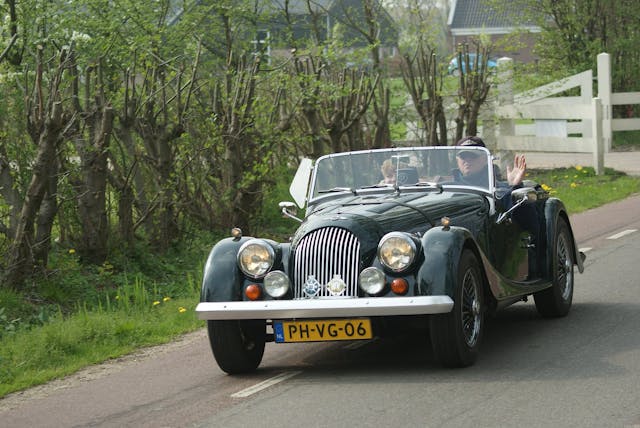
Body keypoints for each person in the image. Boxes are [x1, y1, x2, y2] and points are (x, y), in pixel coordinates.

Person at [454, 136, 526, 188]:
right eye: (463, 156)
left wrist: (514, 186)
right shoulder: (447, 187)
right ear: (457, 160)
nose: (468, 160)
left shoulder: (497, 189)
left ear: (485, 159)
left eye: (473, 156)